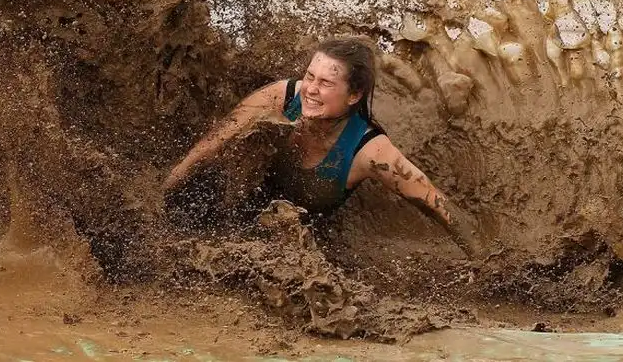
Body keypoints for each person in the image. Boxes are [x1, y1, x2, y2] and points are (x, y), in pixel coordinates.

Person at [163, 36, 477, 254]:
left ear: (354, 95)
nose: (311, 90)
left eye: (326, 83)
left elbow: (436, 205)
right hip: (234, 207)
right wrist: (165, 188)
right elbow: (212, 143)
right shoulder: (281, 97)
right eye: (310, 76)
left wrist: (486, 264)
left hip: (295, 241)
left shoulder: (370, 151)